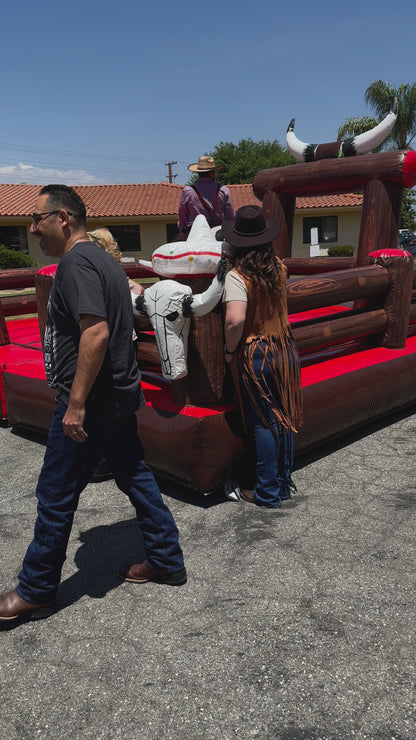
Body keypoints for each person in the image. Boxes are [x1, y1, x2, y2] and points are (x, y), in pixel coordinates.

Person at [0, 185, 186, 622]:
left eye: (37, 219)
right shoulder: (106, 259)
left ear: (62, 218)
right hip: (120, 394)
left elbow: (97, 332)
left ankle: (37, 587)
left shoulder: (77, 262)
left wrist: (76, 404)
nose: (32, 229)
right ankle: (165, 557)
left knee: (55, 492)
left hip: (94, 401)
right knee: (136, 476)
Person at [222, 205, 303, 508]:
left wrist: (229, 351)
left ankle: (267, 492)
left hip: (257, 353)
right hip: (285, 348)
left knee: (263, 423)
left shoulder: (237, 276)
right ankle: (281, 484)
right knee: (283, 419)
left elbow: (234, 320)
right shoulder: (279, 266)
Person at [177, 155, 235, 235]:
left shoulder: (188, 191)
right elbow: (230, 218)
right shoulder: (223, 190)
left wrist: (183, 231)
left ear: (198, 172)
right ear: (212, 172)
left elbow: (182, 217)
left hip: (193, 233)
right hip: (216, 232)